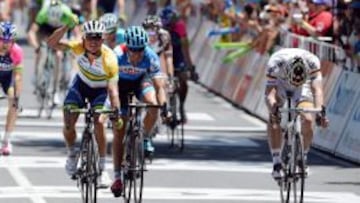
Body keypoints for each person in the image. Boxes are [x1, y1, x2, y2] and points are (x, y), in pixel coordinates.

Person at [47, 20, 121, 188]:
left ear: (103, 40)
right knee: (68, 120)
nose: (93, 42)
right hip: (81, 86)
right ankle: (72, 154)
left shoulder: (110, 59)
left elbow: (113, 90)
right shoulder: (78, 47)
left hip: (101, 91)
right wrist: (66, 27)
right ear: (84, 38)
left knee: (99, 122)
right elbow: (51, 43)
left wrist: (116, 112)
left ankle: (102, 170)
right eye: (90, 38)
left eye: (97, 38)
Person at [110, 26, 167, 197]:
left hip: (140, 83)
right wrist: (115, 107)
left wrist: (163, 106)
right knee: (119, 131)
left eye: (140, 50)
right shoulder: (116, 55)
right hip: (119, 86)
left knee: (153, 105)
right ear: (127, 47)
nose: (136, 54)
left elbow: (159, 86)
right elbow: (110, 85)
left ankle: (144, 136)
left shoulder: (150, 56)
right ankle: (117, 176)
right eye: (133, 50)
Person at [265, 48, 329, 180]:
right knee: (274, 118)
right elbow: (269, 94)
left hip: (302, 86)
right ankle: (276, 162)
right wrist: (273, 108)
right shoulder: (275, 63)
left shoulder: (313, 62)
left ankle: (302, 158)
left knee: (308, 119)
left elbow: (317, 90)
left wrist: (320, 114)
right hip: (281, 82)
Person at [27, 0, 81, 105]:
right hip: (46, 29)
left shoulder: (66, 13)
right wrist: (36, 46)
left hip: (60, 29)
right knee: (41, 50)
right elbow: (31, 32)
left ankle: (55, 90)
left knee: (58, 55)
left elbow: (78, 34)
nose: (54, 21)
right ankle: (36, 74)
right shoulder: (43, 12)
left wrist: (73, 44)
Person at [160, 6, 197, 123]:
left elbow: (185, 48)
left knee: (183, 78)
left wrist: (190, 67)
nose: (168, 27)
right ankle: (165, 108)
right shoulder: (160, 30)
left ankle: (181, 105)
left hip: (178, 55)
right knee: (163, 81)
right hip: (164, 55)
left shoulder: (180, 27)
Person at [0, 21, 23, 156]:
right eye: (2, 39)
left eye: (9, 41)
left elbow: (18, 76)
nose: (5, 43)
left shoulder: (17, 51)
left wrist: (16, 98)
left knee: (13, 102)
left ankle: (6, 141)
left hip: (8, 78)